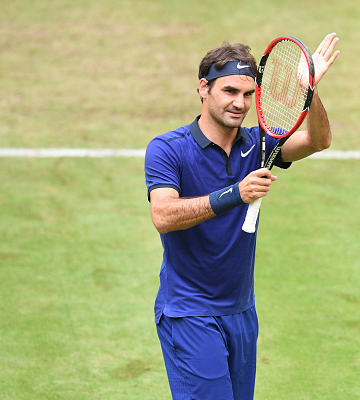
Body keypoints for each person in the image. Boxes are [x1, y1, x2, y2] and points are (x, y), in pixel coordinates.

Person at [144, 33, 340, 400]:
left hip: (241, 312)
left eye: (249, 95)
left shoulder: (258, 144)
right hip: (189, 313)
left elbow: (318, 141)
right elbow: (164, 215)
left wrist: (308, 90)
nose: (240, 103)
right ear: (204, 89)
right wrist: (236, 193)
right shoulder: (167, 150)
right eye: (230, 91)